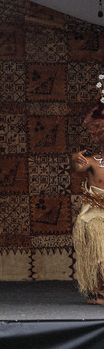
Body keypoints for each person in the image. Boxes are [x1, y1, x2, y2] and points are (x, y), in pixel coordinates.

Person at [70, 102, 104, 305]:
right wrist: (74, 159)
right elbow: (76, 167)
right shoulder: (93, 161)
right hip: (95, 216)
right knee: (100, 252)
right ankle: (96, 292)